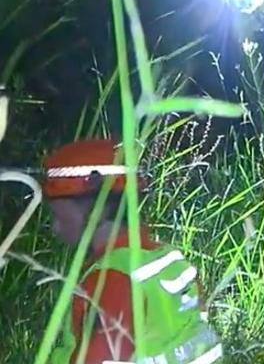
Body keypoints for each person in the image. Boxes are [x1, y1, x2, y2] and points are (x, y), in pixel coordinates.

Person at [43, 138, 223, 364]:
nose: (53, 228)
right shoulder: (169, 259)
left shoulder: (112, 278)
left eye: (58, 216)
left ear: (96, 211)